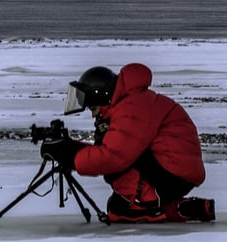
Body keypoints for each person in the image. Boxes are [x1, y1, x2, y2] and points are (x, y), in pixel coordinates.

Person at [42, 63, 214, 223]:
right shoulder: (131, 102)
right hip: (175, 170)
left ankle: (146, 207)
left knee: (118, 211)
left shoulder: (132, 108)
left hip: (172, 174)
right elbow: (110, 150)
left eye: (93, 109)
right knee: (116, 203)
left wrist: (68, 154)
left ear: (101, 96)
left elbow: (113, 157)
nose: (93, 115)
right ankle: (180, 208)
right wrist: (71, 148)